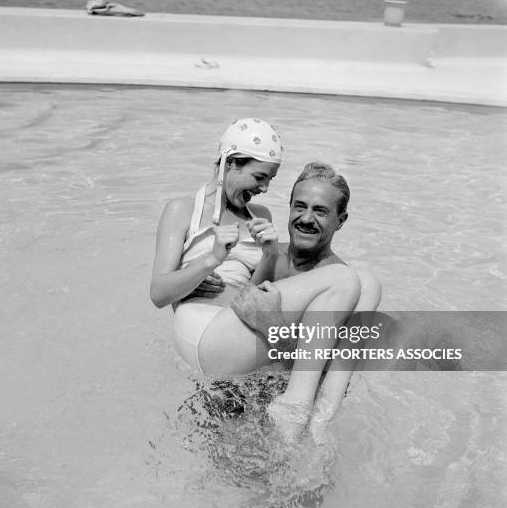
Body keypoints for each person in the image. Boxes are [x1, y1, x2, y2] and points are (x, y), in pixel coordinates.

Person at [150, 119, 376, 441]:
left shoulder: (261, 217)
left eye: (270, 180)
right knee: (343, 279)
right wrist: (209, 261)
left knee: (365, 283)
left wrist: (269, 255)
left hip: (235, 324)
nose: (264, 188)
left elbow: (251, 292)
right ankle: (296, 405)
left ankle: (324, 413)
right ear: (231, 163)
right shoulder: (183, 210)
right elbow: (158, 293)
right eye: (259, 177)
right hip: (202, 333)